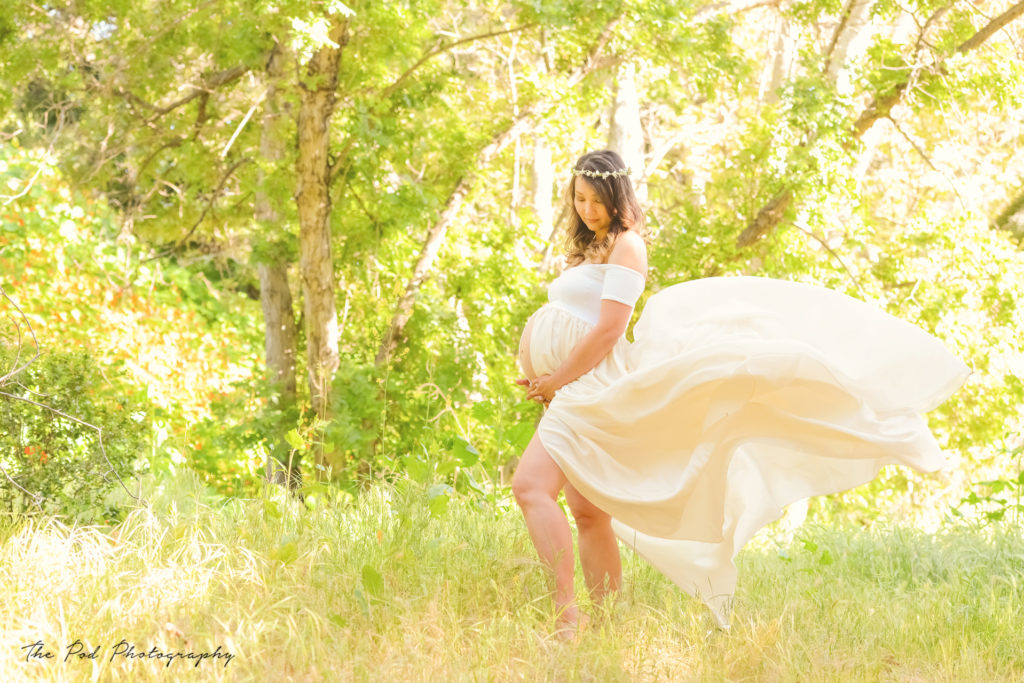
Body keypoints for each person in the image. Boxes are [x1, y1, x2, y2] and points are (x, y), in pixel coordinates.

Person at [511, 149, 970, 637]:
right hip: (569, 389)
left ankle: (565, 621)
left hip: (588, 385)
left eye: (596, 199)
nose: (586, 209)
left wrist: (556, 379)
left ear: (617, 196)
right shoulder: (590, 247)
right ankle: (604, 629)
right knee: (588, 511)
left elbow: (608, 330)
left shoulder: (628, 247)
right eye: (579, 199)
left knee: (530, 487)